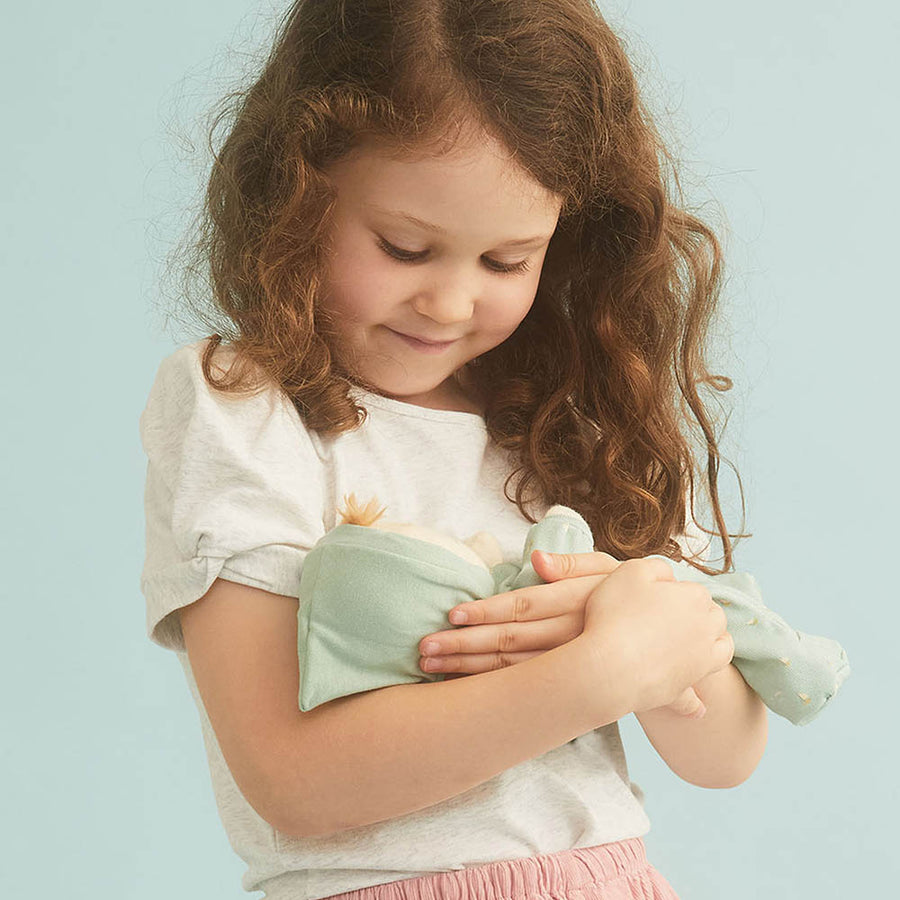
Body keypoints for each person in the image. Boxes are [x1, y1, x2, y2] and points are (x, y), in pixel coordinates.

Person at [139, 1, 769, 898]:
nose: (448, 302)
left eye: (506, 263)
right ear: (296, 191)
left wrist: (674, 642)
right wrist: (601, 669)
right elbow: (294, 783)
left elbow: (728, 753)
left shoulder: (571, 422)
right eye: (404, 247)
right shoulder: (243, 406)